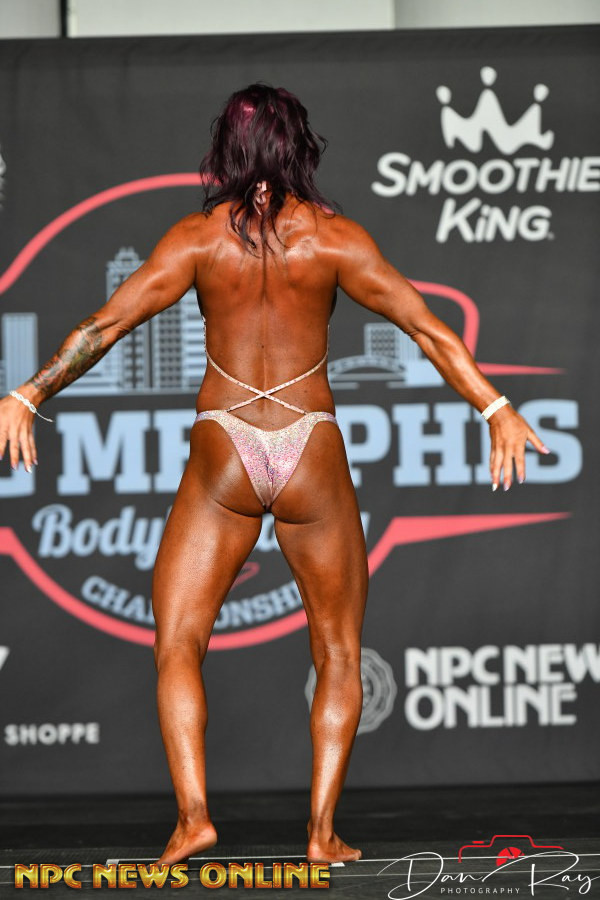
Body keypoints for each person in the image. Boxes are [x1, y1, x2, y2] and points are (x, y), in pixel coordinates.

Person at [0, 83, 550, 866]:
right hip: (308, 449)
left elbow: (107, 325)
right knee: (339, 652)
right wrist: (495, 408)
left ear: (226, 150)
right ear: (299, 147)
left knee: (177, 642)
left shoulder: (197, 240)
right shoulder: (334, 240)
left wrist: (28, 393)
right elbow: (428, 329)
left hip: (224, 447)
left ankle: (193, 818)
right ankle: (322, 834)